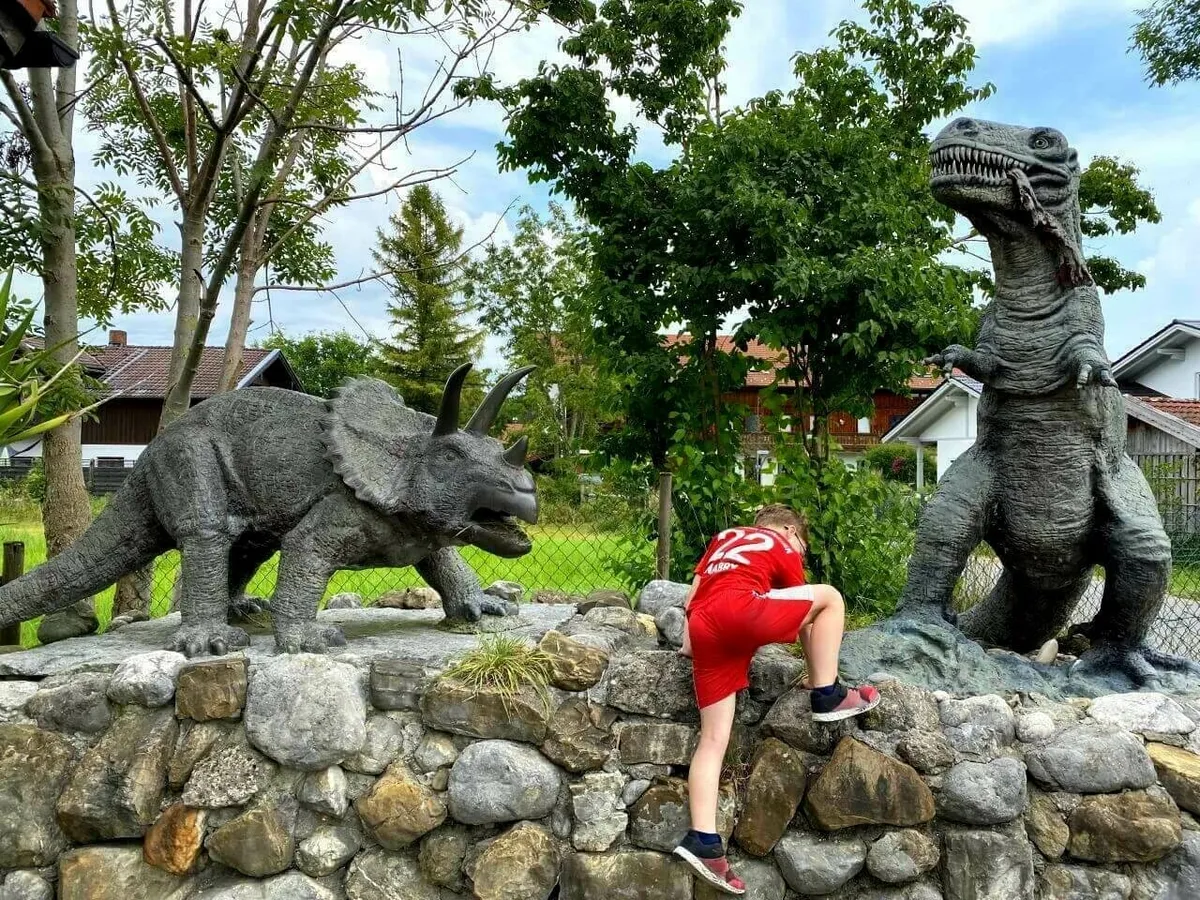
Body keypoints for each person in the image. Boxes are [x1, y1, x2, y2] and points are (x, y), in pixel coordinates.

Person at [672, 503, 880, 895]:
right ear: (789, 530)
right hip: (742, 613)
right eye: (802, 545)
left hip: (705, 627)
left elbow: (693, 597)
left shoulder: (724, 539)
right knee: (830, 598)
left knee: (713, 739)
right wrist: (820, 675)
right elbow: (806, 608)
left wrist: (689, 643)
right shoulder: (778, 542)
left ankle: (704, 841)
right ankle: (828, 695)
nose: (801, 552)